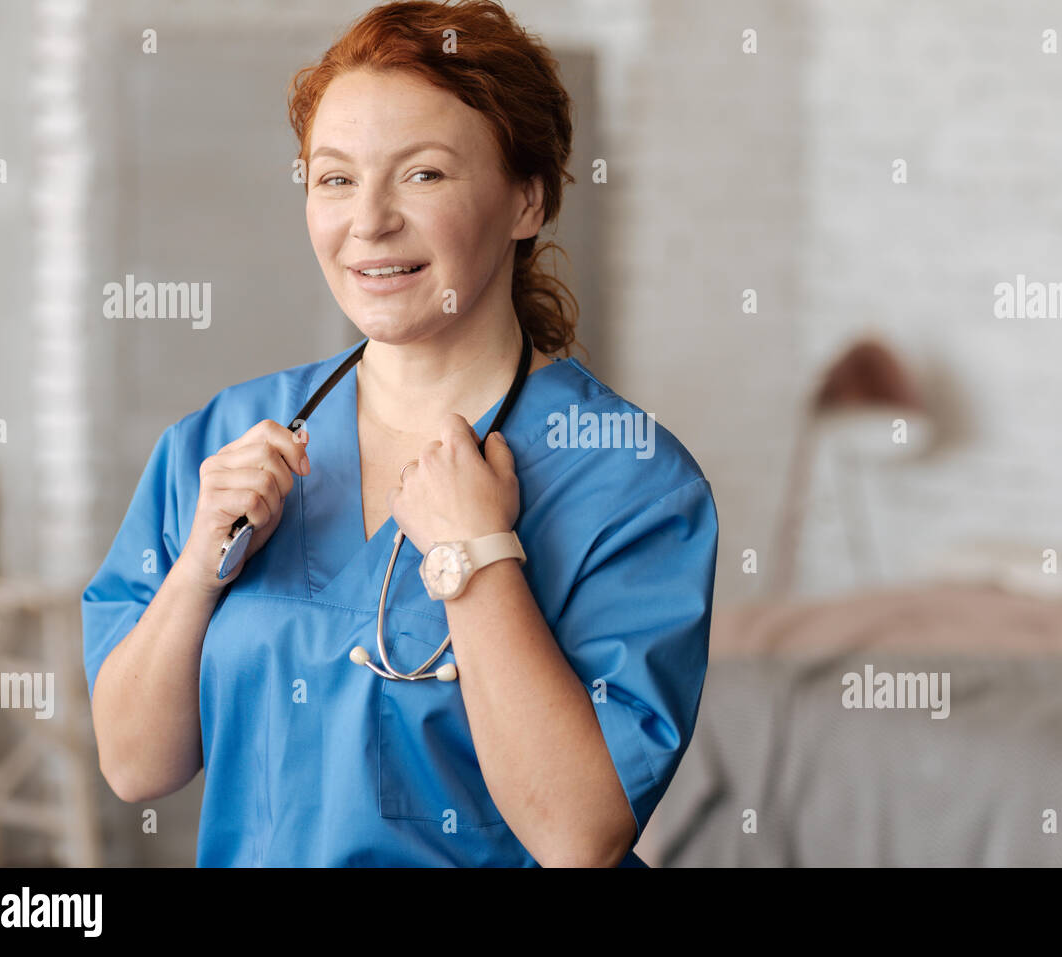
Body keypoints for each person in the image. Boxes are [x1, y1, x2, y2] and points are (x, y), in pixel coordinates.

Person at [81, 0, 718, 868]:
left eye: (422, 175)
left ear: (528, 199)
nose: (369, 220)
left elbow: (581, 835)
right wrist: (199, 566)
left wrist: (477, 555)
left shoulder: (630, 480)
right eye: (335, 178)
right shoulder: (221, 440)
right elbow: (133, 763)